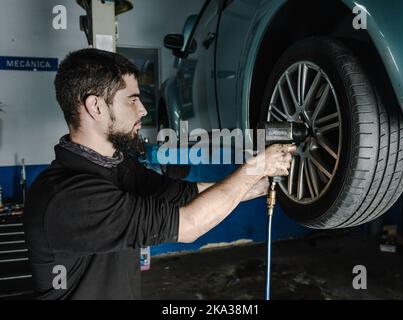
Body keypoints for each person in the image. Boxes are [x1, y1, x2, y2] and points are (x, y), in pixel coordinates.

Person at [24, 48, 294, 300]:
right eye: (132, 100)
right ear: (96, 107)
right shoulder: (68, 198)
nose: (143, 109)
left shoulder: (119, 166)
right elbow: (188, 225)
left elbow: (186, 195)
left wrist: (260, 184)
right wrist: (254, 168)